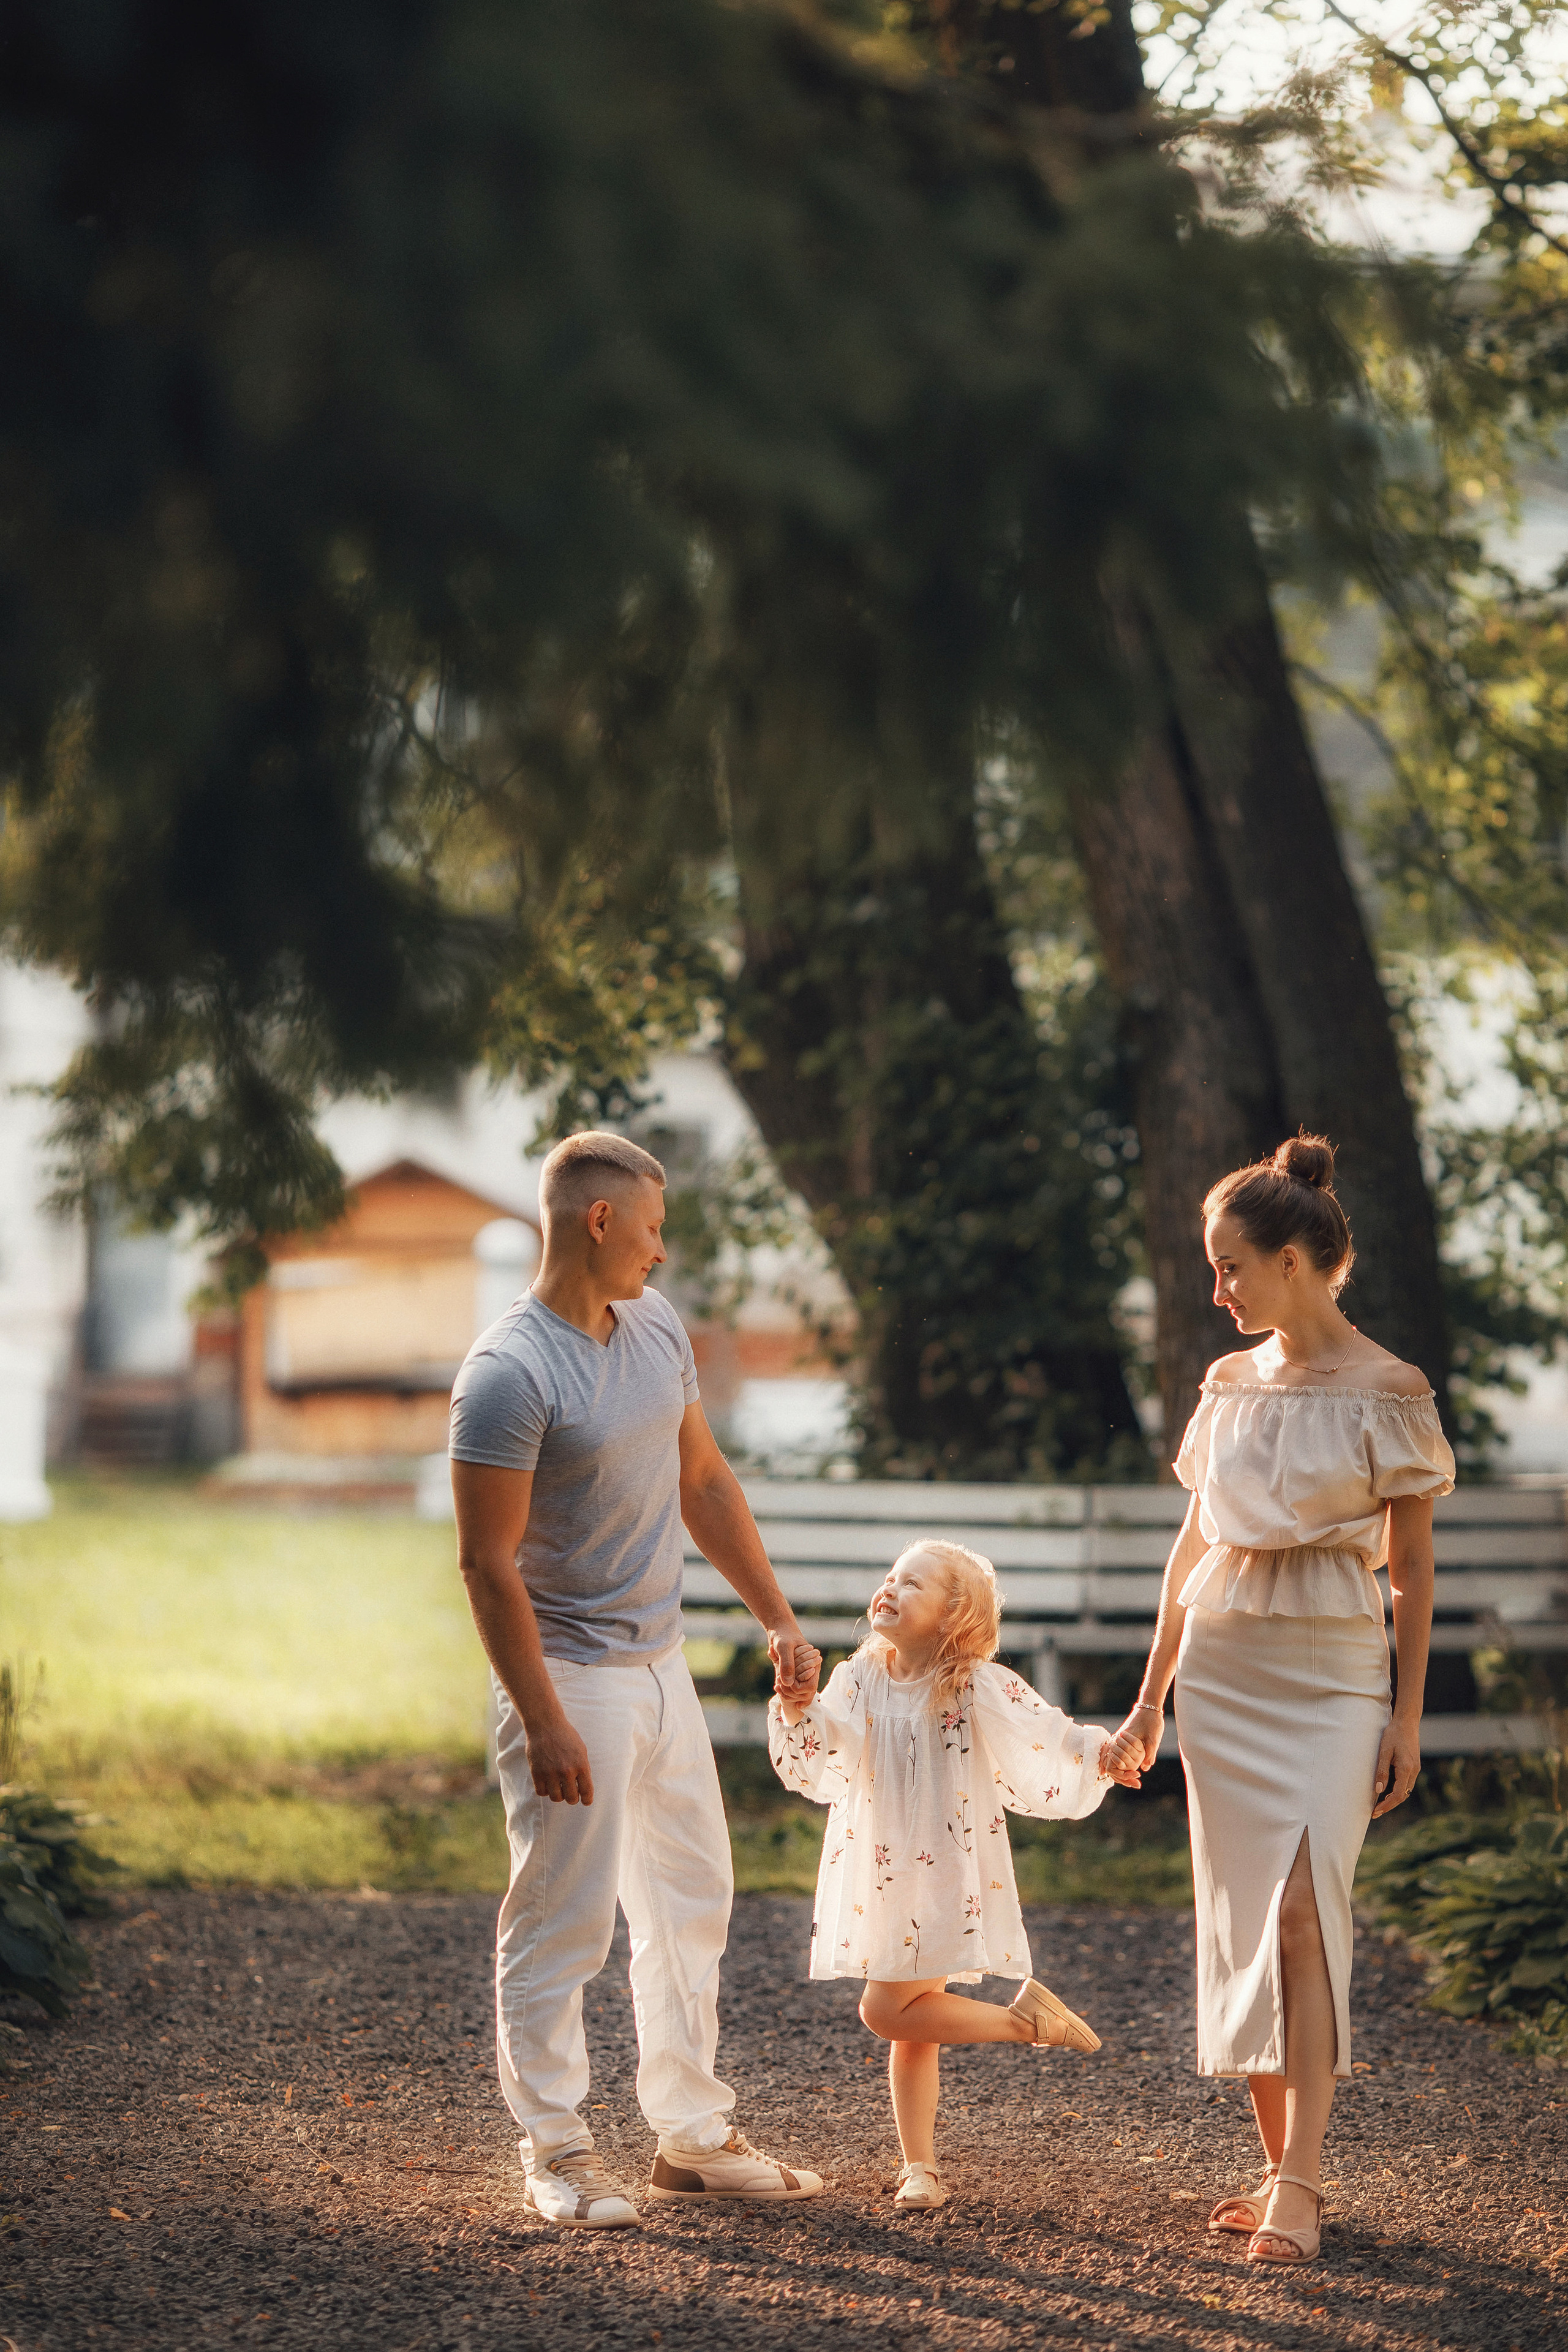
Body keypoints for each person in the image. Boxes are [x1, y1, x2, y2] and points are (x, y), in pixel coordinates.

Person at [448, 1129, 824, 2229]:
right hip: (569, 1677)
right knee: (565, 1921)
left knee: (692, 1900)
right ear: (599, 1221)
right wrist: (544, 1717)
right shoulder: (508, 1373)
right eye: (652, 1229)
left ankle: (692, 2137)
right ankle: (557, 2149)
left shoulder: (654, 1328)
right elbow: (485, 1564)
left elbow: (702, 1477)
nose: (662, 1254)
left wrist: (775, 1613)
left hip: (659, 1668)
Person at [1112, 1133, 1453, 2266]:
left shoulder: (1391, 1391)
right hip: (1224, 1668)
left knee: (1308, 1914)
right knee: (1249, 1923)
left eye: (1231, 1267)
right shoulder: (1225, 1385)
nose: (1216, 1290)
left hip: (1334, 1671)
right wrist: (1149, 1700)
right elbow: (1190, 1549)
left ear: (1300, 1261)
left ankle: (1301, 2185)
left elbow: (1411, 1573)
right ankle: (1278, 2172)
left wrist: (1406, 1716)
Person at [769, 1537, 1142, 2211]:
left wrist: (1100, 1754)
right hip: (880, 1867)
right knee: (913, 2023)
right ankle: (921, 2169)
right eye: (889, 1577)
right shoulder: (860, 1675)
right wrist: (798, 1706)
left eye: (913, 1584)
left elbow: (1044, 1736)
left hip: (940, 1869)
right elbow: (824, 1755)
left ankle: (1026, 2025)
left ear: (952, 1615)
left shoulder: (974, 1683)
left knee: (887, 2011)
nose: (890, 1588)